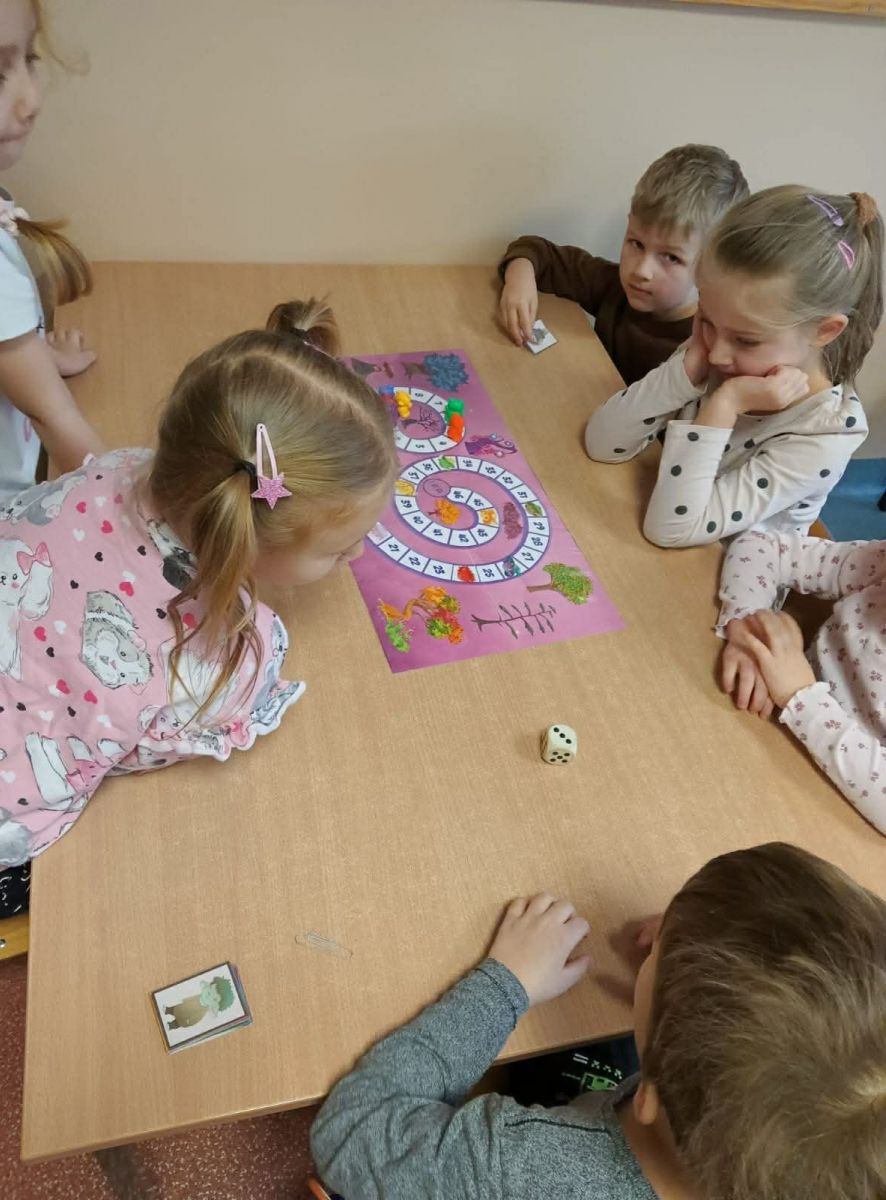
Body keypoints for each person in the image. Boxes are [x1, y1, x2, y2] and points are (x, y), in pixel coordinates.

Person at [0, 299, 397, 921]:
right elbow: (145, 746)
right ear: (246, 538)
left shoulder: (125, 467)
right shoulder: (215, 656)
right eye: (340, 549)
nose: (358, 555)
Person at [311, 843, 886, 1199]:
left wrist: (503, 986)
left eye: (661, 955)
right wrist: (695, 959)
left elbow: (351, 1131)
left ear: (650, 1097)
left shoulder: (525, 1168)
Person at [585, 186, 883, 548]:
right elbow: (601, 443)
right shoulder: (716, 347)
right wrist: (683, 374)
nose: (717, 355)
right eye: (706, 319)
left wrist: (724, 405)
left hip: (716, 576)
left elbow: (670, 530)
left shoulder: (825, 435)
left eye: (746, 340)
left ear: (824, 331)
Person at [497, 144, 748, 383]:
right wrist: (520, 281)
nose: (641, 271)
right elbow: (536, 250)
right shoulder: (613, 287)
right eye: (636, 243)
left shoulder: (706, 352)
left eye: (671, 258)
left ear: (712, 270)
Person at [0, 0, 102, 502]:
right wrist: (128, 512)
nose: (31, 100)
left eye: (29, 58)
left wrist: (32, 357)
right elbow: (54, 417)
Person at [718, 529, 886, 836]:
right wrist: (748, 626)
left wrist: (800, 695)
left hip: (826, 812)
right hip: (764, 729)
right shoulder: (877, 561)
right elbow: (763, 545)